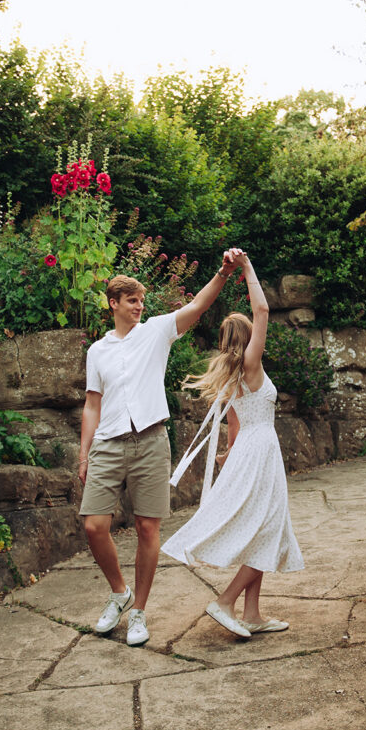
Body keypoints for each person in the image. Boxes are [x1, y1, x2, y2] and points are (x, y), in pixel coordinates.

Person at [79, 248, 244, 647]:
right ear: (113, 303)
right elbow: (91, 404)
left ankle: (140, 612)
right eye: (131, 300)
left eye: (141, 300)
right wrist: (83, 454)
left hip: (151, 441)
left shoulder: (156, 331)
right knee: (94, 526)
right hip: (107, 443)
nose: (138, 306)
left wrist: (223, 273)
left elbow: (199, 306)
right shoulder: (97, 351)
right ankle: (120, 593)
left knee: (147, 527)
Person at [161, 252, 304, 638]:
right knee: (269, 529)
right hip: (261, 453)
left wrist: (228, 456)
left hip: (248, 452)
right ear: (248, 339)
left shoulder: (234, 378)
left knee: (260, 529)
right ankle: (225, 602)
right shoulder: (252, 367)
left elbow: (233, 426)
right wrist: (246, 268)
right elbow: (262, 309)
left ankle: (252, 614)